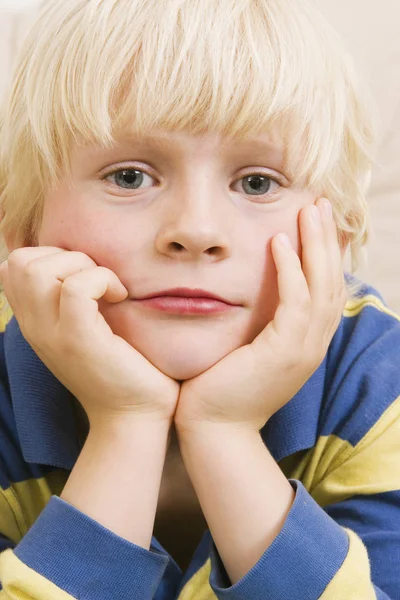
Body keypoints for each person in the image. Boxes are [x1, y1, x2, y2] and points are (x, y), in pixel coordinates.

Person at [0, 0, 399, 598]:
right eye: (129, 176)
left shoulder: (376, 383)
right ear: (22, 230)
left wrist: (224, 430)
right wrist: (125, 423)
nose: (196, 229)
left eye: (257, 182)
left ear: (336, 238)